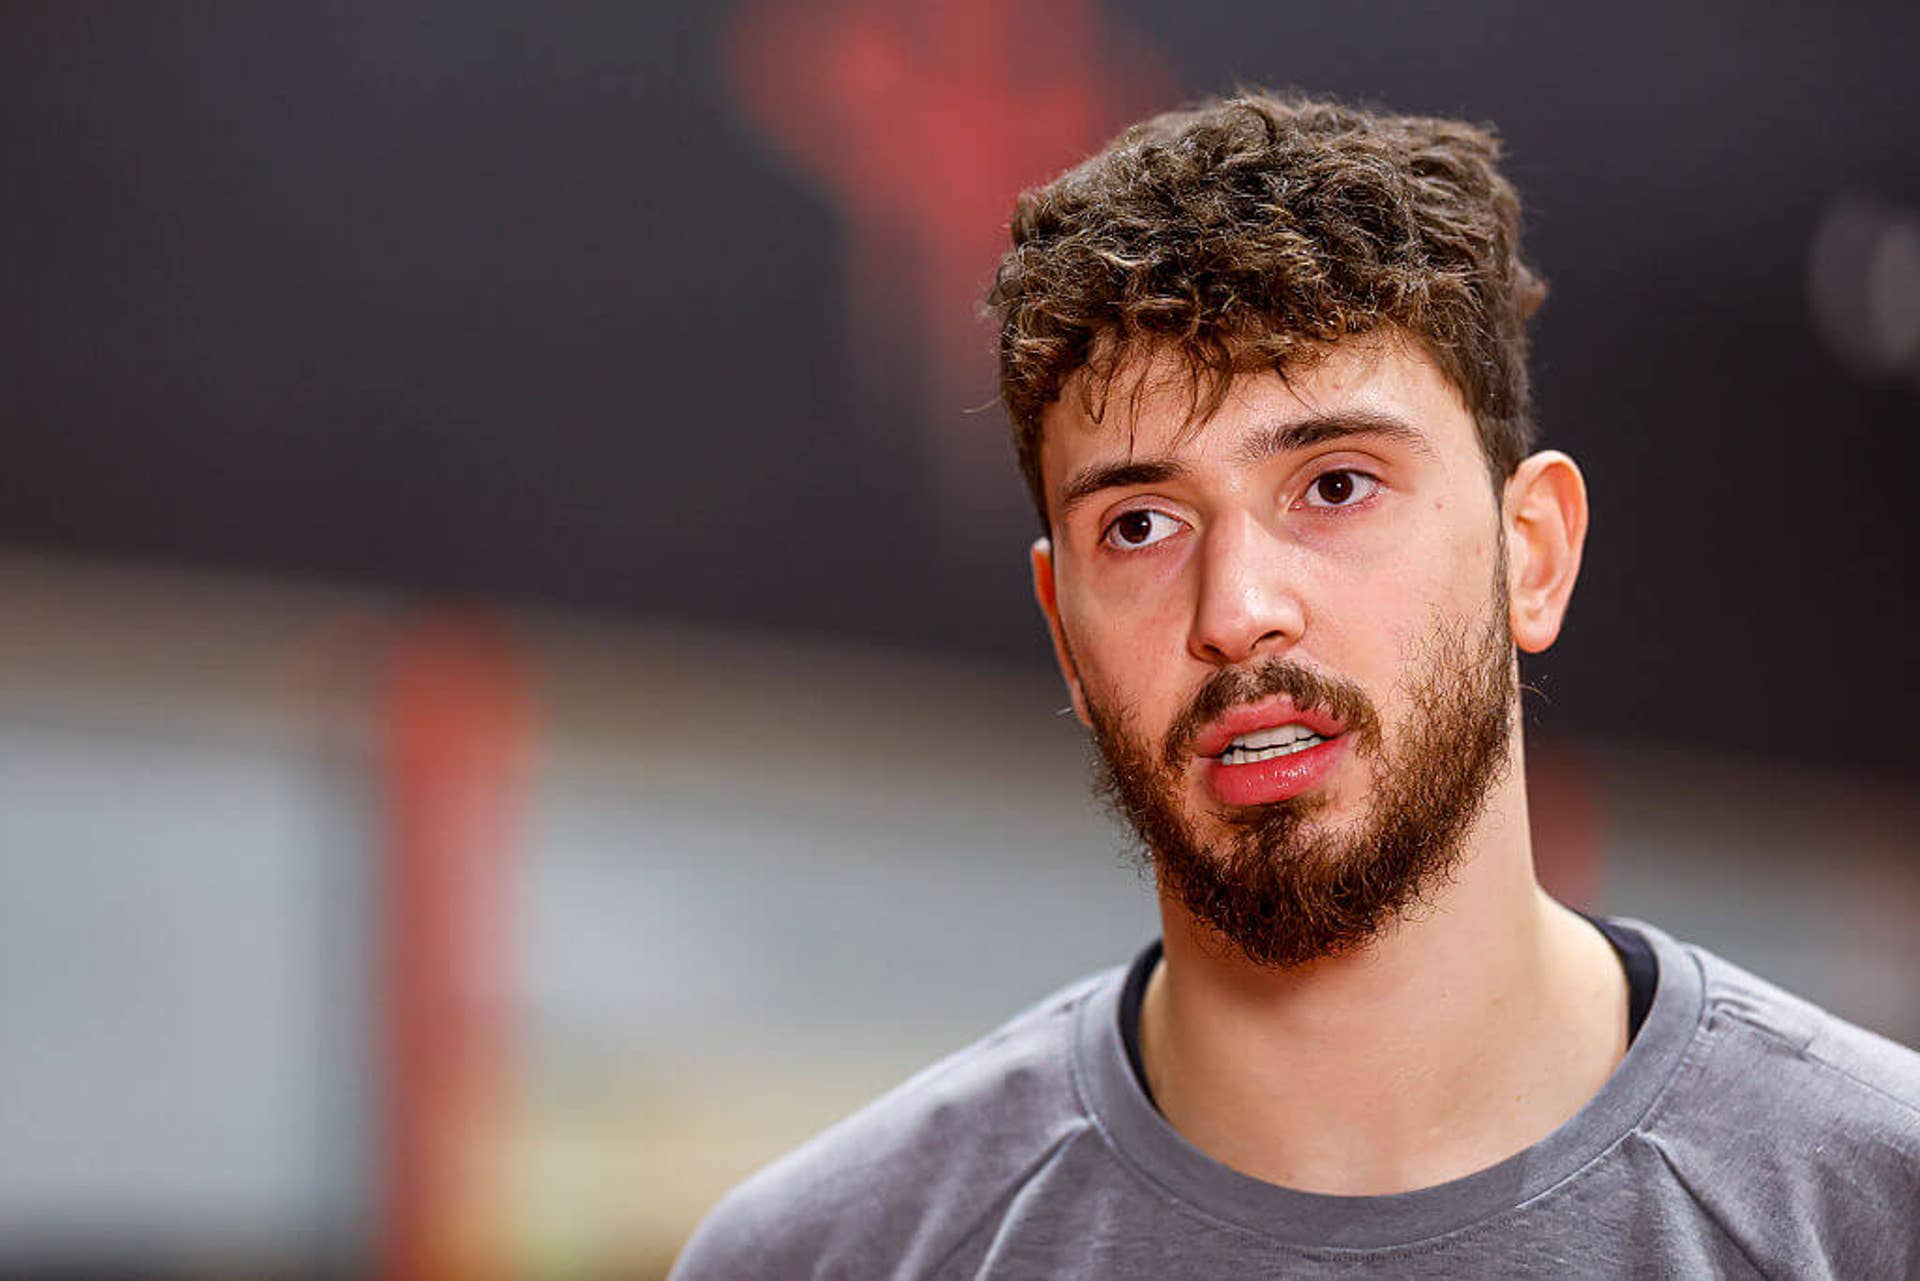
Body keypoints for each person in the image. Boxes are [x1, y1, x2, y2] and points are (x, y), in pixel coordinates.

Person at [670, 92, 1920, 1278]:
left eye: (1335, 486)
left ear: (1531, 554)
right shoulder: (829, 1256)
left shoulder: (1874, 1210)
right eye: (1141, 526)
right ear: (1063, 634)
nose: (1236, 611)